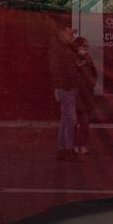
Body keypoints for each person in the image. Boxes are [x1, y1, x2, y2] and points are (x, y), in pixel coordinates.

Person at [48, 22, 81, 160]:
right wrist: (64, 85)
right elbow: (57, 69)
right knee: (70, 119)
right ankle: (68, 150)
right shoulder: (60, 49)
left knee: (66, 119)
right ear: (61, 34)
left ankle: (62, 149)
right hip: (66, 87)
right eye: (70, 33)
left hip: (67, 87)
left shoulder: (64, 47)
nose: (72, 36)